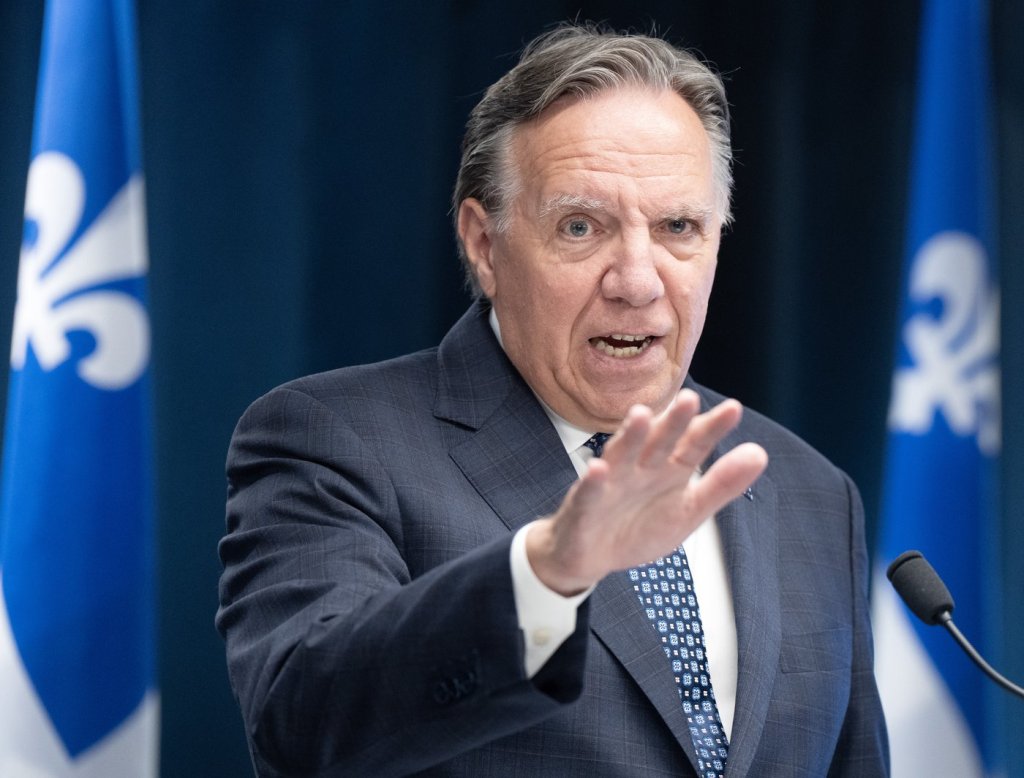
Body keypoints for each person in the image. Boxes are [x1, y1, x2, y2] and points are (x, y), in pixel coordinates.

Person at [217, 24, 889, 777]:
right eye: (580, 226)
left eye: (678, 227)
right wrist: (547, 573)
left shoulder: (811, 491)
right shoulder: (335, 441)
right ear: (484, 244)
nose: (637, 281)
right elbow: (301, 721)